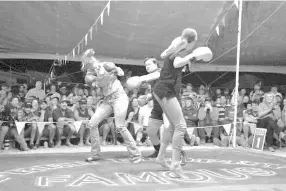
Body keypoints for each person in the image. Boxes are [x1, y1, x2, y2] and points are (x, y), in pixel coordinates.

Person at [152, 28, 211, 177]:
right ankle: (175, 164)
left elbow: (163, 55)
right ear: (193, 41)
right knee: (181, 126)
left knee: (172, 126)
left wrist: (191, 56)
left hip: (161, 90)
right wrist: (193, 55)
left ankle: (160, 157)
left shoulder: (175, 45)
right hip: (166, 91)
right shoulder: (182, 49)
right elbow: (177, 63)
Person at [81, 49, 141, 163]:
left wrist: (117, 70)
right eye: (87, 64)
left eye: (89, 62)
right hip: (107, 100)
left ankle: (136, 154)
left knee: (120, 126)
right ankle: (95, 153)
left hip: (119, 97)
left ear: (93, 60)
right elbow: (91, 82)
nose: (88, 66)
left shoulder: (106, 65)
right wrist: (95, 79)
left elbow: (119, 71)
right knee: (92, 123)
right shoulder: (90, 73)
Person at [130, 57, 187, 164]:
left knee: (169, 129)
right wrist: (147, 97)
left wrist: (139, 79)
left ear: (156, 64)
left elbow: (156, 75)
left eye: (149, 64)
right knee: (150, 131)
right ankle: (158, 151)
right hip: (157, 106)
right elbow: (157, 92)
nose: (147, 67)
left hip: (169, 104)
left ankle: (180, 153)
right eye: (145, 65)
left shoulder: (161, 73)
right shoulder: (152, 80)